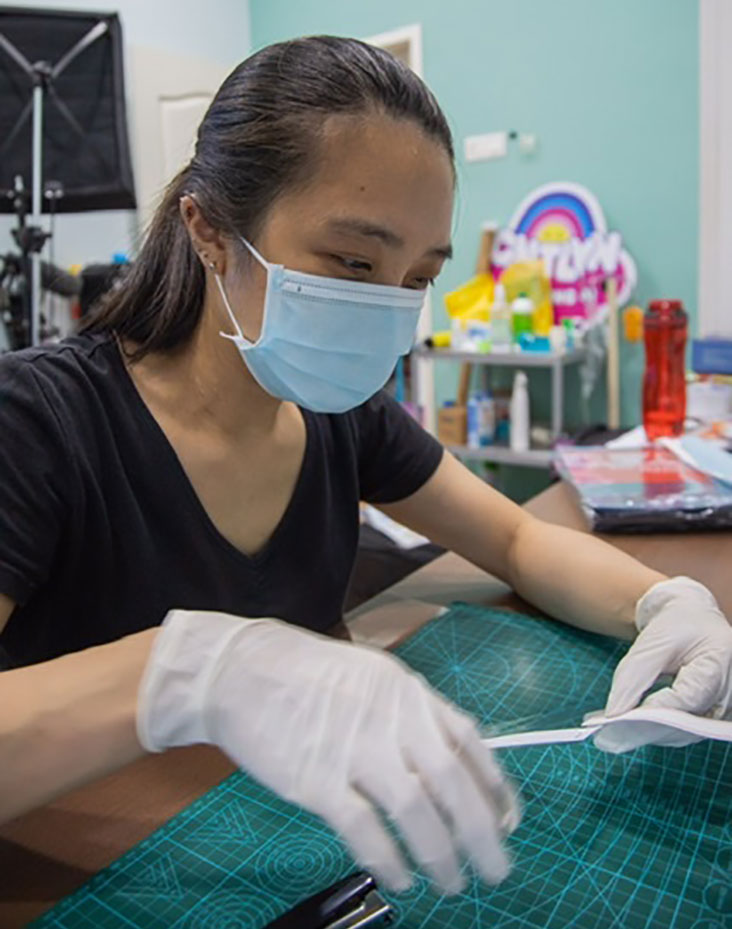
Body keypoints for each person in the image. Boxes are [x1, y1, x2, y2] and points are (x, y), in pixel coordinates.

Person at [0, 36, 730, 898]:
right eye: (352, 263)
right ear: (209, 230)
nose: (385, 308)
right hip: (89, 872)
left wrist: (664, 603)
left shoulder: (338, 414)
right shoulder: (38, 425)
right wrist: (190, 671)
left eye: (417, 276)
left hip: (282, 847)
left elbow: (517, 538)